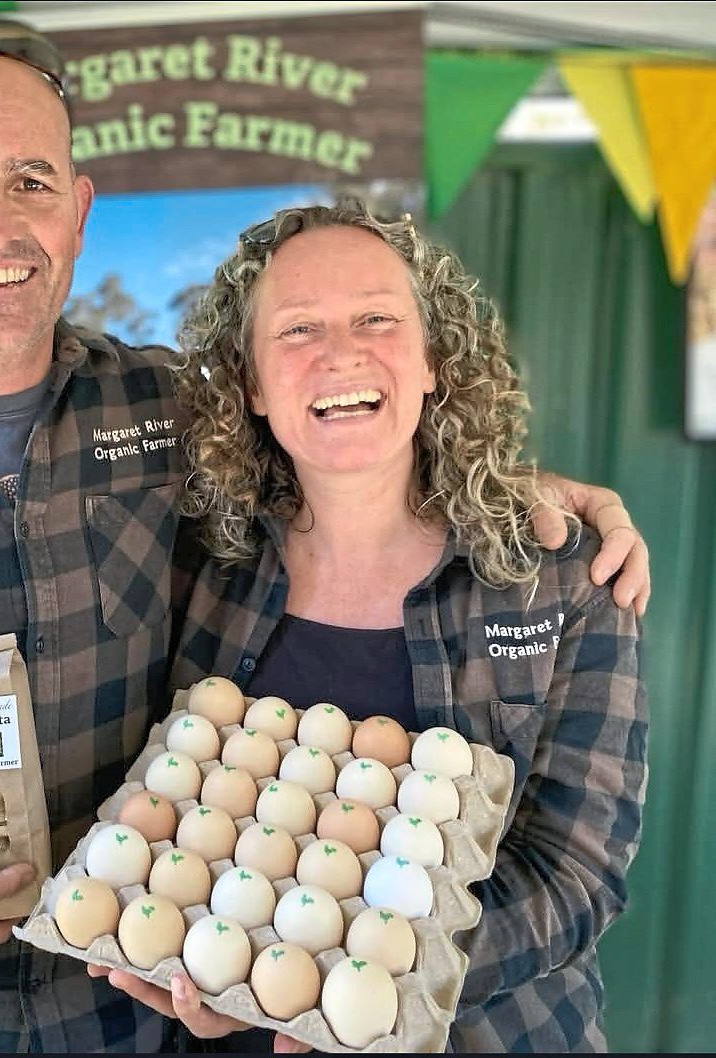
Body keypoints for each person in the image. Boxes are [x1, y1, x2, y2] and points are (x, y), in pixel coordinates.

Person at [0, 22, 648, 1056]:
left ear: (78, 211)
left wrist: (514, 486)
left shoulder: (159, 407)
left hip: (124, 998)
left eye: (29, 181)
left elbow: (344, 427)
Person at [94, 203, 648, 1052]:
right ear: (250, 383)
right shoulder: (203, 562)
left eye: (377, 319)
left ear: (433, 360)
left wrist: (370, 981)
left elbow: (577, 876)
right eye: (298, 328)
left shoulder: (559, 575)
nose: (340, 352)